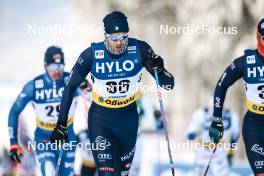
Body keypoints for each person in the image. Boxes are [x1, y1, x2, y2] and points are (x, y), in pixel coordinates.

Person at [50, 11, 174, 176]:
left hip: (128, 117)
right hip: (101, 119)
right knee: (106, 173)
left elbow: (168, 85)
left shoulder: (140, 49)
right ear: (106, 35)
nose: (119, 43)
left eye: (123, 37)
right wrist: (61, 124)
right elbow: (70, 86)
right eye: (114, 38)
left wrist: (160, 69)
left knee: (121, 173)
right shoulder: (91, 54)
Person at [8, 46, 79, 176]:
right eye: (53, 68)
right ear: (45, 66)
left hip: (68, 138)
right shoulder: (34, 85)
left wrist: (88, 89)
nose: (57, 71)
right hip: (44, 139)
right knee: (48, 170)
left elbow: (94, 98)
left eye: (60, 67)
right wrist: (13, 143)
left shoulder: (73, 80)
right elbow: (14, 111)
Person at [209, 18, 264, 175]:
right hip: (255, 125)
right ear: (258, 38)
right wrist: (217, 119)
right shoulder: (245, 62)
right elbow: (222, 84)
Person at [187, 96, 240, 176]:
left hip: (219, 151)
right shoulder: (201, 114)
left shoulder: (231, 116)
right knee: (198, 173)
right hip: (203, 150)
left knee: (222, 173)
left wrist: (231, 152)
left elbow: (235, 135)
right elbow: (190, 133)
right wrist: (194, 133)